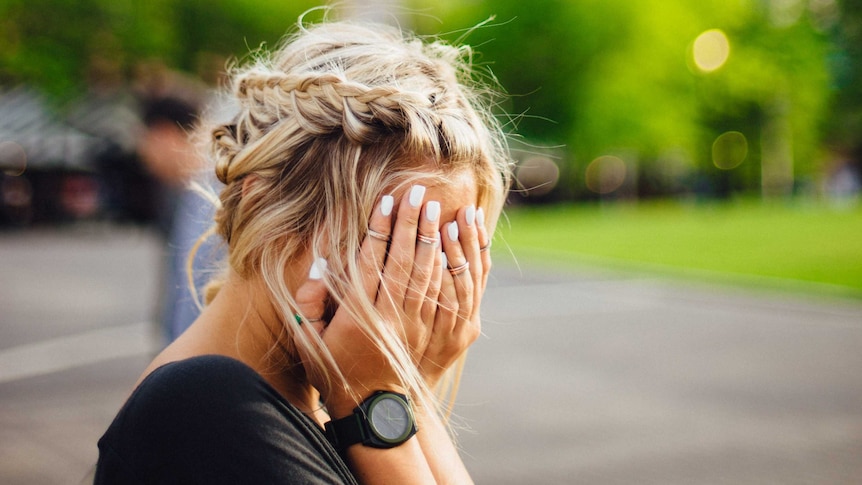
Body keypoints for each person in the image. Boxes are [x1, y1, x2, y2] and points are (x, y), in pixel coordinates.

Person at [95, 15, 512, 484]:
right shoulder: (204, 407)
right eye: (395, 240)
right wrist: (373, 401)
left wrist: (402, 393)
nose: (425, 285)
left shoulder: (314, 399)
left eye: (450, 248)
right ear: (268, 210)